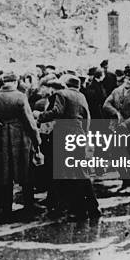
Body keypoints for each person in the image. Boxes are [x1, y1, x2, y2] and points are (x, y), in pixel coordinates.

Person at [36, 75, 99, 221]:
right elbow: (87, 117)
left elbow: (57, 112)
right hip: (78, 134)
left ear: (66, 85)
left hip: (64, 135)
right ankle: (92, 207)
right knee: (80, 172)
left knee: (69, 173)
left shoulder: (61, 94)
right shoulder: (81, 96)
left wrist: (40, 116)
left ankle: (79, 211)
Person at [0, 72, 41, 220]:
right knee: (26, 171)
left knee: (5, 173)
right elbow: (30, 121)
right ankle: (29, 206)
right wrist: (36, 140)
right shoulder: (21, 96)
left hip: (3, 138)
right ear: (15, 82)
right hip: (21, 138)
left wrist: (1, 125)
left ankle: (6, 208)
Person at [103, 69, 130, 193]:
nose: (127, 82)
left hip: (129, 129)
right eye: (126, 79)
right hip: (115, 127)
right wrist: (116, 113)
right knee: (115, 155)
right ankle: (124, 179)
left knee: (129, 155)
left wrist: (125, 124)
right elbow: (106, 105)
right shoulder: (116, 91)